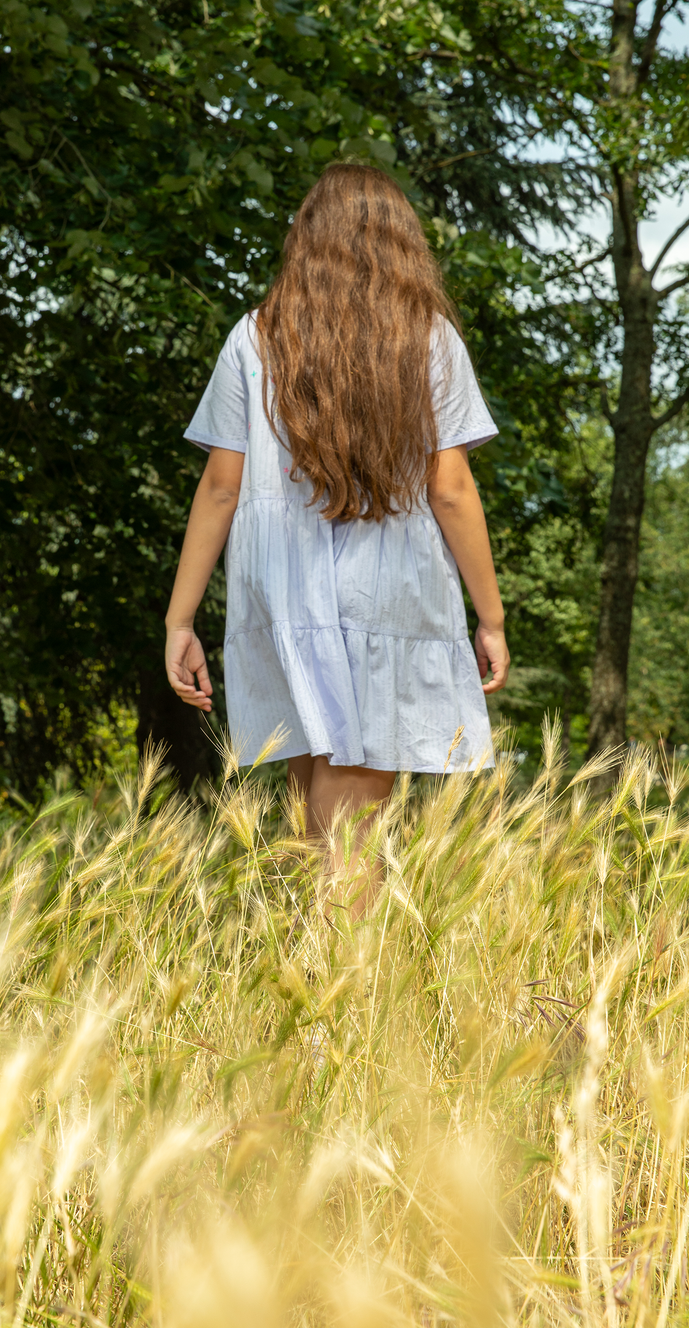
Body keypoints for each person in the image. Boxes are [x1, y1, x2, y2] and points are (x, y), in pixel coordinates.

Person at [164, 163, 509, 883]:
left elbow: (221, 488)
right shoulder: (429, 339)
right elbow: (450, 489)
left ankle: (316, 984)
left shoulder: (253, 340)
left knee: (320, 822)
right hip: (387, 594)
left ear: (305, 237)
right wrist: (492, 618)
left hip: (283, 600)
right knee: (347, 837)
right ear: (400, 244)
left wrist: (181, 620)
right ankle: (345, 990)